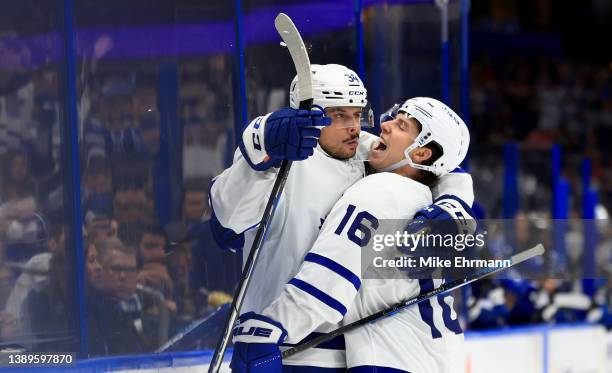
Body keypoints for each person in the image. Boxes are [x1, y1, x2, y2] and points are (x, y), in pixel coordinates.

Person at [210, 65, 474, 371]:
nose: (355, 127)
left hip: (322, 345)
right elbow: (225, 228)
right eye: (338, 115)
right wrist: (261, 143)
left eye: (357, 114)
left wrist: (455, 202)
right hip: (281, 346)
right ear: (307, 114)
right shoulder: (279, 162)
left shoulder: (367, 159)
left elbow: (441, 161)